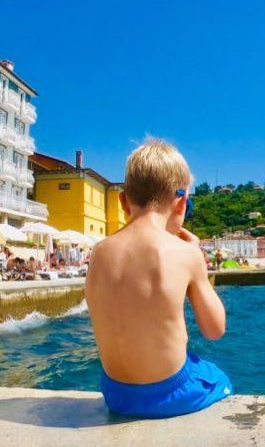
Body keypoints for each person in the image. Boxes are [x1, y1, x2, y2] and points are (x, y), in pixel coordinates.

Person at [86, 138, 231, 418]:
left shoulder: (99, 252)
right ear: (181, 203)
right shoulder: (184, 253)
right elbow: (215, 329)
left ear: (124, 201)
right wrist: (197, 265)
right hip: (169, 393)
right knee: (219, 378)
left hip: (115, 394)